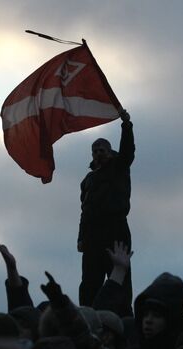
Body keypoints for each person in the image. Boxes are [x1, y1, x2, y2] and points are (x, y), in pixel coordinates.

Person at [78, 109, 134, 311]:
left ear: (109, 152)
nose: (99, 152)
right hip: (92, 236)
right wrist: (81, 237)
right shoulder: (87, 180)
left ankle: (124, 320)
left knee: (120, 279)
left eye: (103, 149)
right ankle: (88, 318)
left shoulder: (119, 167)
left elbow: (127, 151)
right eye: (95, 150)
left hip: (116, 230)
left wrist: (126, 125)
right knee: (89, 284)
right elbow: (84, 211)